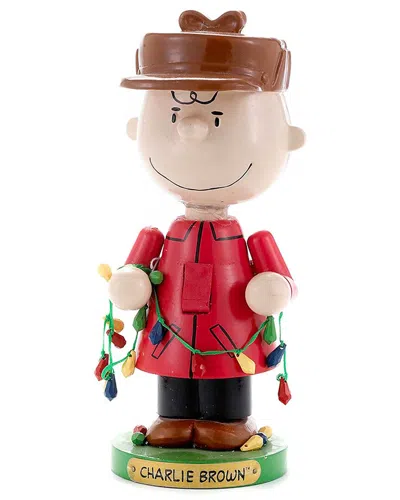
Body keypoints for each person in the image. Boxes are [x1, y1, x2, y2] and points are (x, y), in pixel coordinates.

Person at [108, 10, 305, 450]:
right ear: (137, 129)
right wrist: (130, 281)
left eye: (217, 116)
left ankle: (228, 421)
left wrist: (274, 289)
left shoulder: (253, 240)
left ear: (286, 137)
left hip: (229, 331)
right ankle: (174, 417)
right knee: (173, 372)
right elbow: (133, 273)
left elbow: (283, 283)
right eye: (174, 114)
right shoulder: (157, 237)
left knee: (228, 374)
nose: (191, 128)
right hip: (172, 331)